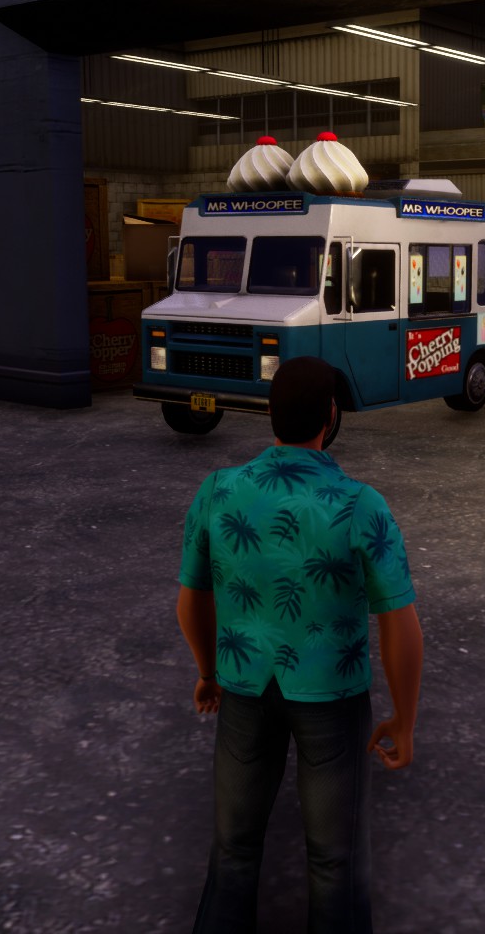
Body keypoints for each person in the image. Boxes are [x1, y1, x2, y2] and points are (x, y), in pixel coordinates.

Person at [176, 356, 424, 934]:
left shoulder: (218, 491)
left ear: (269, 413)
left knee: (234, 849)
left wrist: (208, 673)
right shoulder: (360, 504)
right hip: (332, 700)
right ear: (331, 417)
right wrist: (405, 719)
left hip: (242, 692)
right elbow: (400, 623)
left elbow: (191, 601)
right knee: (336, 862)